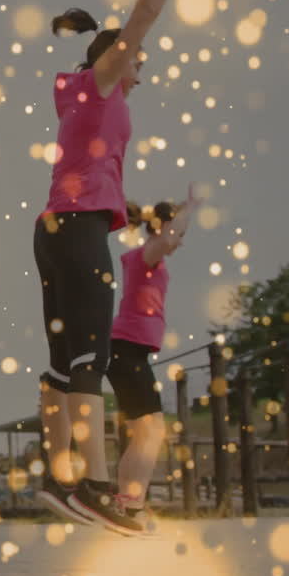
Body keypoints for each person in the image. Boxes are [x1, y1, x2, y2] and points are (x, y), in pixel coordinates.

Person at [34, 0, 205, 532]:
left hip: (53, 229)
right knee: (90, 358)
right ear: (112, 57)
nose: (141, 69)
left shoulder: (75, 94)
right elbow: (146, 12)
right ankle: (94, 487)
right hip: (77, 233)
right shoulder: (102, 83)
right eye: (137, 60)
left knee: (60, 364)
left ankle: (59, 477)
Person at [78, 187, 201, 535]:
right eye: (175, 234)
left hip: (129, 351)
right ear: (161, 228)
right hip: (125, 350)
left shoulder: (150, 257)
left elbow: (171, 237)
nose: (179, 242)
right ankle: (129, 503)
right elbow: (171, 236)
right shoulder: (145, 255)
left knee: (144, 430)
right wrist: (188, 207)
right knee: (152, 429)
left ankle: (130, 503)